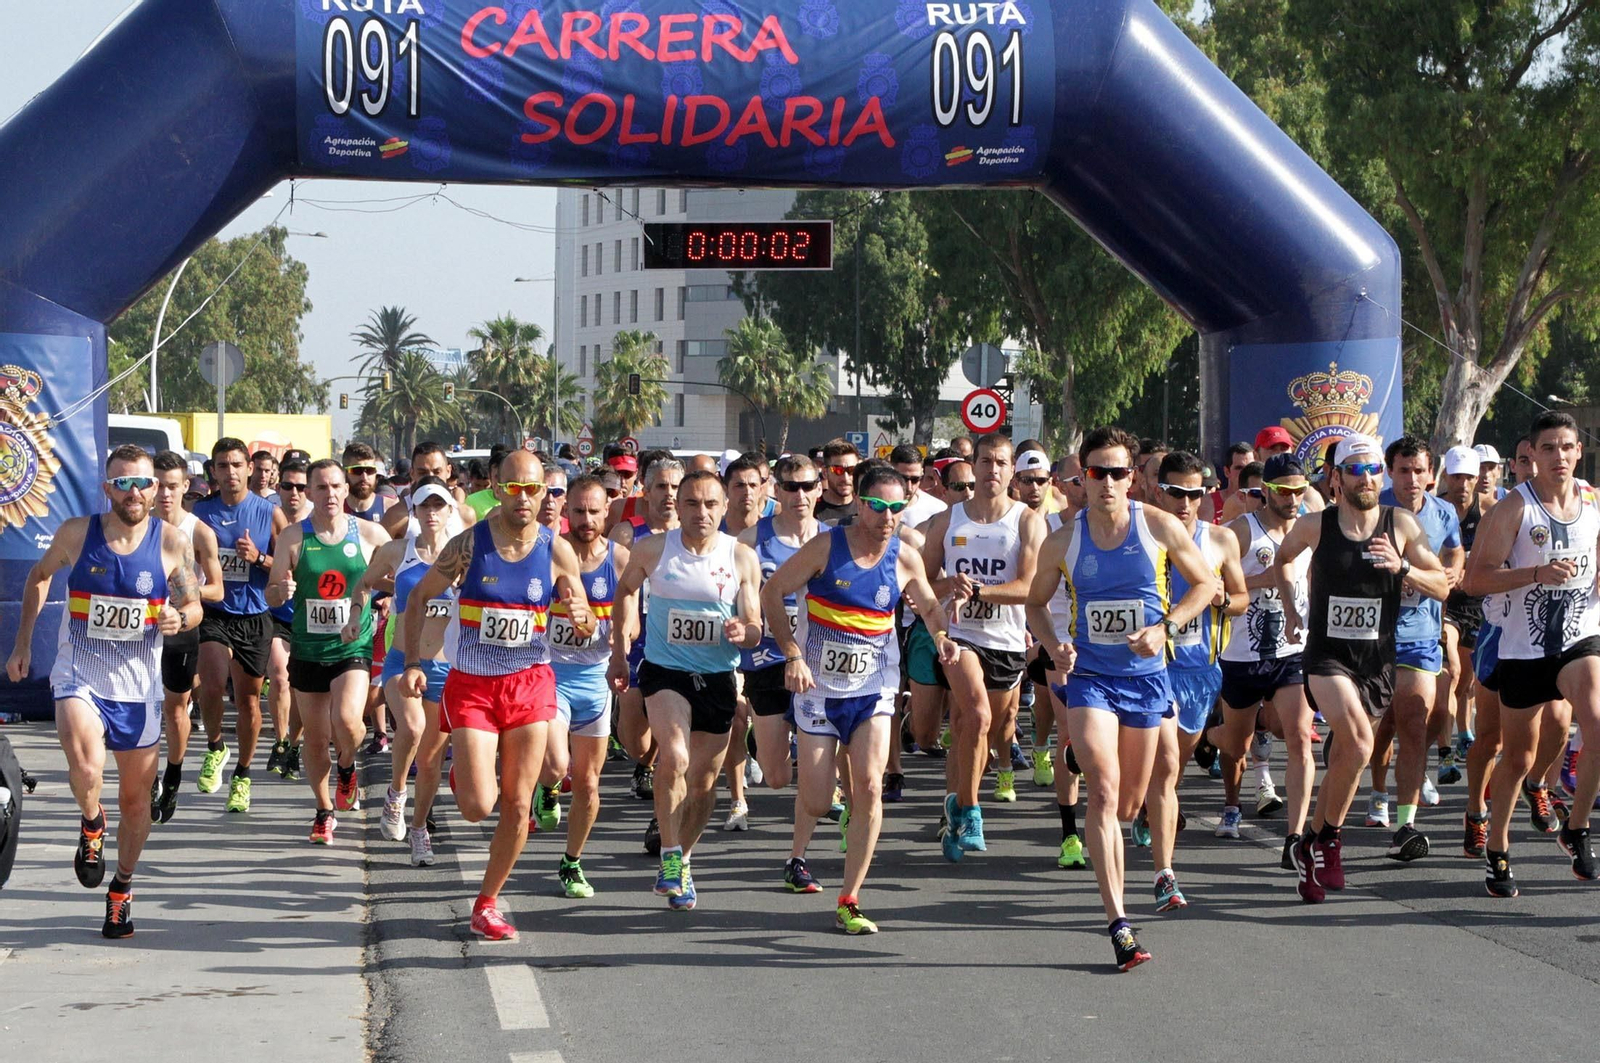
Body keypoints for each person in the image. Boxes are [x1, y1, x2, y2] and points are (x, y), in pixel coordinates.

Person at [1025, 426, 1216, 969]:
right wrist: (1053, 645)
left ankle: (1078, 754)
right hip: (1091, 679)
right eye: (1096, 473)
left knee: (1132, 803)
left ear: (1133, 477)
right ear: (1081, 478)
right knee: (1105, 794)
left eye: (1117, 473)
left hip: (1148, 678)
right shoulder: (1063, 539)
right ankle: (1119, 923)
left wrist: (1167, 627)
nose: (1107, 483)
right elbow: (1036, 603)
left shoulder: (1156, 525)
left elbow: (1204, 585)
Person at [5, 445, 204, 937]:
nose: (133, 493)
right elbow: (38, 576)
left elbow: (194, 604)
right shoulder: (77, 533)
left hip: (138, 689)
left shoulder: (173, 542)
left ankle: (122, 889)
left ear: (155, 490)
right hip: (81, 677)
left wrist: (181, 616)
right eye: (122, 483)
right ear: (107, 487)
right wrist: (23, 642)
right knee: (86, 767)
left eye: (142, 484)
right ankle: (92, 822)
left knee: (136, 804)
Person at [401, 451, 595, 938]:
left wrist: (580, 615)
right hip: (472, 684)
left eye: (537, 490)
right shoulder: (469, 546)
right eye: (515, 488)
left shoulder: (557, 551)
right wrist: (411, 663)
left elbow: (588, 623)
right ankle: (462, 774)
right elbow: (420, 599)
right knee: (475, 807)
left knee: (518, 804)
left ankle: (486, 902)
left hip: (530, 680)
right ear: (497, 485)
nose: (526, 498)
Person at [763, 465, 957, 933]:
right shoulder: (826, 548)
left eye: (896, 508)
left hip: (873, 689)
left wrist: (943, 636)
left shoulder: (905, 556)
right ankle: (835, 802)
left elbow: (928, 605)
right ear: (859, 505)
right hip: (817, 692)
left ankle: (850, 898)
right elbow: (773, 592)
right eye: (877, 506)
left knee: (870, 786)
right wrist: (792, 653)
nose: (887, 517)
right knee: (812, 801)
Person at [1274, 434, 1448, 903]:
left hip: (1377, 662)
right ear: (1336, 478)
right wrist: (1293, 611)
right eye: (1356, 469)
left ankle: (1315, 840)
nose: (1367, 478)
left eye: (1373, 469)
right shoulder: (1315, 526)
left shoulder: (1401, 525)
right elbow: (1282, 559)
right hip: (1327, 657)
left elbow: (1442, 586)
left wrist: (1403, 569)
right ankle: (1328, 840)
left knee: (1350, 757)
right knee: (1358, 741)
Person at [609, 470, 764, 911]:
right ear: (678, 505)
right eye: (692, 504)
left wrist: (743, 630)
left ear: (723, 508)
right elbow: (624, 591)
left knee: (702, 784)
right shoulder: (655, 549)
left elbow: (754, 626)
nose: (702, 513)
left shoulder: (740, 557)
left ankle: (685, 858)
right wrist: (622, 647)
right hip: (665, 672)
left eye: (710, 505)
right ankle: (670, 854)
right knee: (674, 756)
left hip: (717, 678)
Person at [1464, 411, 1600, 897]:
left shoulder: (1593, 502)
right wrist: (1536, 574)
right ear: (1532, 456)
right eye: (1549, 449)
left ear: (1578, 451)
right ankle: (1497, 845)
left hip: (1579, 638)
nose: (1559, 456)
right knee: (1517, 756)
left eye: (1567, 447)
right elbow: (1473, 580)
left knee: (1597, 722)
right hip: (1523, 647)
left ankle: (1577, 827)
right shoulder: (1514, 510)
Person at [921, 434, 1046, 858]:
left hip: (1007, 640)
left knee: (972, 729)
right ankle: (972, 810)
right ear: (972, 467)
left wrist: (978, 592)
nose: (992, 470)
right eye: (985, 462)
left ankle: (952, 805)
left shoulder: (1027, 521)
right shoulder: (948, 520)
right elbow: (919, 587)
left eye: (1001, 463)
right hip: (960, 639)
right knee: (974, 715)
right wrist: (948, 586)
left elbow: (1030, 587)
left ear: (1012, 471)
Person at [265, 460, 390, 843]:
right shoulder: (293, 537)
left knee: (349, 720)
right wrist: (280, 592)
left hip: (352, 644)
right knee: (317, 739)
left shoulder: (370, 533)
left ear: (346, 489)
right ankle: (323, 810)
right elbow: (271, 592)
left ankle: (349, 765)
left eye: (337, 486)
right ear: (309, 493)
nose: (331, 494)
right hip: (307, 648)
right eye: (321, 487)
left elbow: (400, 570)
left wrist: (383, 595)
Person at [1145, 450, 1247, 907]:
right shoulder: (1141, 535)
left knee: (1176, 761)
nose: (1185, 503)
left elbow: (1243, 598)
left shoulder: (1222, 540)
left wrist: (1224, 598)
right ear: (1157, 491)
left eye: (1194, 494)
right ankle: (1165, 871)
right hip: (1151, 665)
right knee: (1165, 763)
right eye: (1175, 493)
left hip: (1201, 669)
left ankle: (1152, 807)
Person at [1362, 437, 1463, 860]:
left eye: (1420, 470)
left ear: (1431, 473)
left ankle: (1406, 825)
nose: (1413, 479)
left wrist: (1450, 574)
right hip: (1374, 636)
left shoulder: (1444, 512)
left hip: (1421, 633)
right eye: (1404, 471)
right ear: (1390, 472)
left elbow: (1455, 551)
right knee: (1379, 728)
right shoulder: (1371, 510)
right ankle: (1378, 791)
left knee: (1416, 723)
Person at [1212, 453, 1314, 866]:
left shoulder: (1311, 529)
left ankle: (1295, 834)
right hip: (1241, 655)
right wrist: (1268, 580)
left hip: (1292, 652)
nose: (1292, 499)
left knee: (1300, 737)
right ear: (1266, 492)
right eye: (1284, 492)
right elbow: (1216, 585)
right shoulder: (1240, 532)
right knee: (1236, 746)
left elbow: (1312, 578)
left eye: (1299, 491)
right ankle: (1232, 802)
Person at [358, 476, 459, 865]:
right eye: (425, 506)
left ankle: (419, 831)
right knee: (413, 728)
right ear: (414, 511)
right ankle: (396, 793)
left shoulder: (463, 556)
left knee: (432, 758)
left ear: (451, 511)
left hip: (447, 667)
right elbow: (364, 584)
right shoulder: (397, 551)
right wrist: (358, 614)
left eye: (439, 506)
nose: (432, 513)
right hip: (404, 660)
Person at [540, 475, 629, 897]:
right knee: (558, 764)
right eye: (578, 511)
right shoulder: (548, 555)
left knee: (590, 783)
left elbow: (632, 621)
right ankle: (549, 786)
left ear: (607, 511)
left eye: (594, 511)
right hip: (549, 673)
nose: (586, 519)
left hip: (594, 680)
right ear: (564, 511)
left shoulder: (620, 560)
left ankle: (572, 862)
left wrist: (616, 646)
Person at [192, 438, 290, 812]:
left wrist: (260, 558)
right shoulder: (201, 512)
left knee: (249, 700)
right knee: (212, 683)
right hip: (214, 610)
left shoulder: (269, 513)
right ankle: (216, 746)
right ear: (213, 472)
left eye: (236, 464)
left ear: (250, 468)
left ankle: (243, 775)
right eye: (222, 465)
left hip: (255, 614)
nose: (230, 472)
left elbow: (287, 566)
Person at [736, 454, 822, 859]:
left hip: (820, 665)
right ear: (777, 491)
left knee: (816, 759)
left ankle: (799, 853)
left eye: (807, 486)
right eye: (791, 487)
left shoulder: (831, 540)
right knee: (775, 777)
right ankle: (763, 735)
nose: (799, 495)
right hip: (768, 661)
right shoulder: (752, 541)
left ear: (820, 490)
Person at [610, 457, 685, 848]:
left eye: (676, 487)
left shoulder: (697, 533)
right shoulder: (628, 533)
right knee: (636, 742)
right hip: (638, 647)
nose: (669, 495)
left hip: (682, 652)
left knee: (676, 743)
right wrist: (618, 637)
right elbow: (614, 591)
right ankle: (644, 758)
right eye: (661, 487)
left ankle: (663, 821)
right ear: (646, 490)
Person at [149, 451, 224, 823]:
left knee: (175, 708)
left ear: (185, 488)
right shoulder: (135, 526)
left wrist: (187, 595)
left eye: (172, 487)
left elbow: (218, 591)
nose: (165, 494)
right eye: (158, 486)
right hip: (140, 632)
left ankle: (174, 774)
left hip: (181, 628)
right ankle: (147, 776)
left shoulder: (199, 532)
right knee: (143, 707)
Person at [265, 459, 312, 781]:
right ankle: (282, 741)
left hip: (312, 619)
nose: (293, 493)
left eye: (301, 487)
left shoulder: (319, 521)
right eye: (287, 486)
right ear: (277, 486)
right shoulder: (267, 515)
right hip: (277, 614)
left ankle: (296, 743)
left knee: (301, 687)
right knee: (280, 676)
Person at [891, 443, 946, 528]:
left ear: (922, 473)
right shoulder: (874, 508)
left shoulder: (939, 510)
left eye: (915, 479)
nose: (909, 487)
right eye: (903, 478)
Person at [343, 442, 392, 522]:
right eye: (357, 470)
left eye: (370, 470)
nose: (364, 477)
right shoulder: (334, 510)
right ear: (344, 473)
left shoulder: (390, 509)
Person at [814, 439, 860, 523]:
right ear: (825, 472)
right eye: (838, 470)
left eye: (852, 470)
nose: (845, 478)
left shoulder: (865, 509)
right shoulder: (812, 509)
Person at [1208, 443, 1255, 523]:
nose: (1245, 473)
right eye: (1239, 468)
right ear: (1227, 472)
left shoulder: (1263, 503)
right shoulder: (1208, 503)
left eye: (1250, 468)